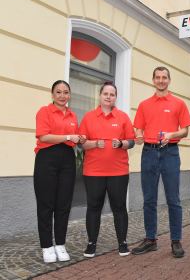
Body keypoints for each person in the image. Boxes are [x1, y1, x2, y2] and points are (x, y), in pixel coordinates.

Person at [132, 66, 190, 258]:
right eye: (157, 77)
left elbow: (185, 131)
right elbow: (138, 130)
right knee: (149, 199)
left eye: (164, 77)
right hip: (148, 152)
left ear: (169, 80)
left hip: (170, 153)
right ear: (153, 80)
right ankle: (151, 240)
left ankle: (176, 240)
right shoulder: (144, 104)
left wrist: (172, 134)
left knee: (173, 199)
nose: (161, 80)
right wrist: (139, 136)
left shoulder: (178, 103)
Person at [79, 82, 135, 258]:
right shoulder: (88, 117)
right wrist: (95, 143)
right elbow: (82, 144)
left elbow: (131, 141)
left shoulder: (123, 117)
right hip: (93, 172)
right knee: (94, 207)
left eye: (112, 94)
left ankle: (122, 243)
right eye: (106, 93)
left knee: (119, 207)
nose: (109, 97)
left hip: (118, 172)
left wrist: (121, 143)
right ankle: (91, 243)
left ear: (115, 97)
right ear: (100, 95)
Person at [34, 80, 85, 263]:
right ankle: (47, 246)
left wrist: (80, 137)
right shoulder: (44, 111)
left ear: (69, 95)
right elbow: (43, 136)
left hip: (67, 159)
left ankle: (60, 245)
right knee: (46, 204)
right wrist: (68, 137)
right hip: (46, 158)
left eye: (66, 92)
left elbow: (74, 140)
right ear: (52, 94)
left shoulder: (72, 115)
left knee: (63, 204)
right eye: (58, 92)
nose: (62, 95)